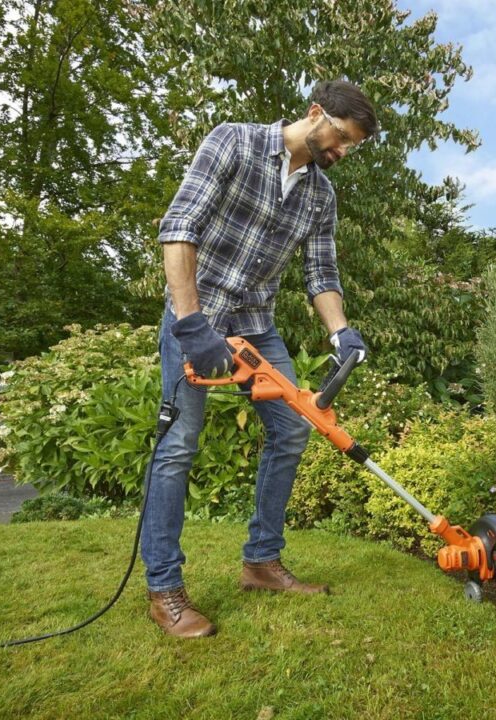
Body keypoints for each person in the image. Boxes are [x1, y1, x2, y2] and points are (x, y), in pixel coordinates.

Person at [142, 80, 378, 638]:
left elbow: (321, 273)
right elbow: (179, 229)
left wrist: (341, 332)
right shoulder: (234, 142)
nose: (342, 152)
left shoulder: (322, 196)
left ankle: (261, 562)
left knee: (294, 429)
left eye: (352, 147)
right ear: (315, 113)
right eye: (342, 138)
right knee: (177, 448)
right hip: (195, 316)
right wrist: (191, 322)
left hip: (257, 328)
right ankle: (165, 589)